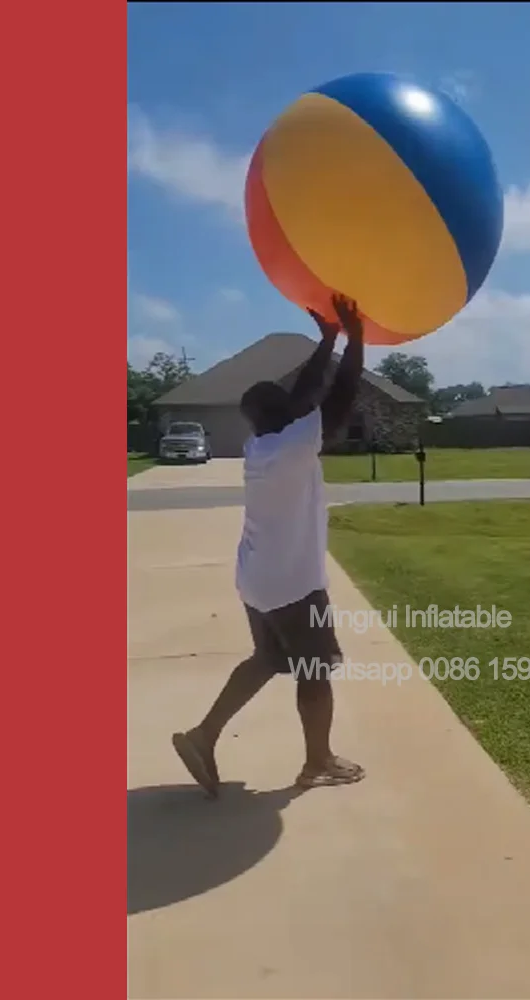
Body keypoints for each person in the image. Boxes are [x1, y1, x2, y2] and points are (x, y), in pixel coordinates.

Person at [172, 294, 366, 796]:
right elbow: (338, 394)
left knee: (267, 659)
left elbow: (302, 393)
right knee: (315, 670)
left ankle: (202, 735)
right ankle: (318, 761)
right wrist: (356, 337)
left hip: (256, 579)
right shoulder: (296, 445)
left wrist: (328, 340)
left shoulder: (262, 445)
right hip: (292, 585)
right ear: (286, 415)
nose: (298, 402)